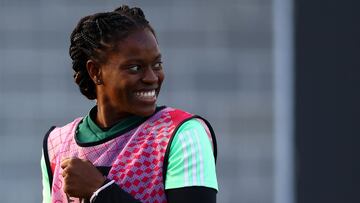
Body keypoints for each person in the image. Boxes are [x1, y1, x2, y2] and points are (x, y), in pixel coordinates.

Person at [41, 5, 218, 203]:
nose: (152, 77)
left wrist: (99, 190)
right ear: (96, 72)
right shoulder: (56, 144)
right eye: (135, 67)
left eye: (157, 65)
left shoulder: (182, 134)